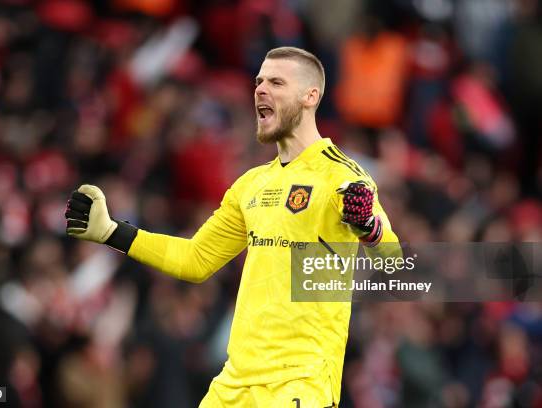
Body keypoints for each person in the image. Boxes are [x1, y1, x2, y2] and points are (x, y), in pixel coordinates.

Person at [64, 47, 399, 407]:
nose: (260, 90)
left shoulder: (341, 175)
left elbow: (392, 259)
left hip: (298, 385)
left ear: (310, 96)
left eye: (276, 82)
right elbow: (195, 260)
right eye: (258, 82)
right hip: (234, 385)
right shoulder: (251, 185)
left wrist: (367, 225)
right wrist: (112, 231)